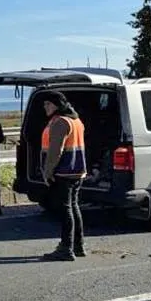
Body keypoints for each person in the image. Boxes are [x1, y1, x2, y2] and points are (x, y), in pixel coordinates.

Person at [40, 92, 87, 261]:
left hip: (64, 171)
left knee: (65, 209)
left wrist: (47, 172)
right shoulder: (75, 120)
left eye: (48, 104)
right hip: (77, 171)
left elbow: (55, 151)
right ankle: (78, 245)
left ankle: (66, 248)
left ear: (56, 105)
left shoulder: (60, 122)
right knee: (73, 207)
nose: (45, 107)